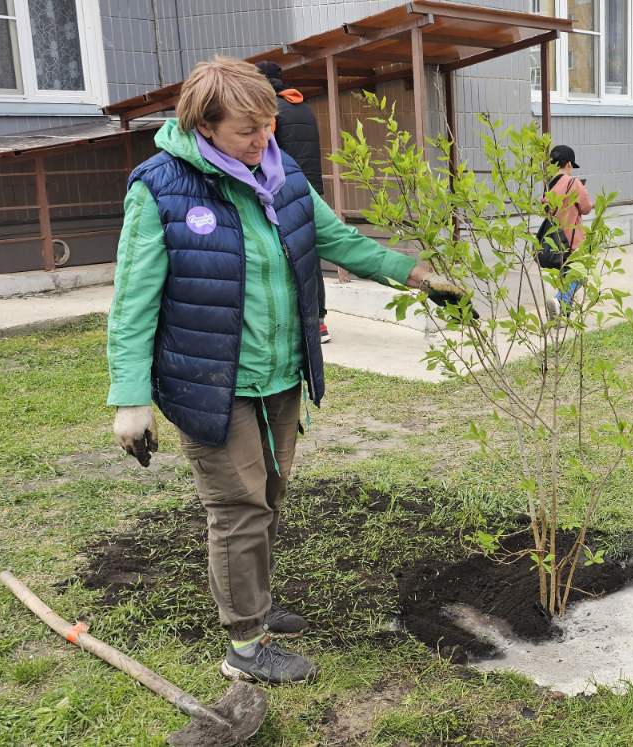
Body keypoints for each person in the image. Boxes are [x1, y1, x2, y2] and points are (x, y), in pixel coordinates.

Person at [106, 57, 464, 685]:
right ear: (205, 125)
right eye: (248, 130)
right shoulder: (161, 187)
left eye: (268, 124)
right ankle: (244, 649)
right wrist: (130, 399)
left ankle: (256, 608)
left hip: (280, 373)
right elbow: (133, 301)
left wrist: (418, 275)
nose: (263, 139)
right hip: (209, 381)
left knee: (269, 497)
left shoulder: (280, 172)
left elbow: (335, 239)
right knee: (238, 509)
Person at [254, 61, 332, 344]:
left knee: (284, 253)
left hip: (284, 189)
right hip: (310, 188)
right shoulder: (303, 107)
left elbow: (265, 151)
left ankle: (295, 320)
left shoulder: (270, 110)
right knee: (309, 251)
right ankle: (320, 321)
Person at [541, 144, 593, 317]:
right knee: (579, 275)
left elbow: (545, 208)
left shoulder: (549, 186)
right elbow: (586, 207)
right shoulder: (573, 182)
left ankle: (561, 316)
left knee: (566, 276)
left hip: (554, 240)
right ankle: (559, 300)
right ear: (569, 164)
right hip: (572, 239)